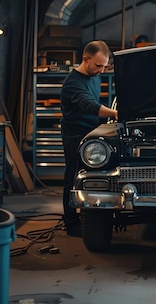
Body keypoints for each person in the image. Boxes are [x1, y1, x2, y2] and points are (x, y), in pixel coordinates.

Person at [60, 40, 117, 237]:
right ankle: (70, 222)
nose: (101, 70)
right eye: (98, 65)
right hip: (75, 133)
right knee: (73, 175)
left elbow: (94, 102)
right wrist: (116, 113)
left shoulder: (94, 76)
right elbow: (88, 105)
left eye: (104, 66)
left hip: (91, 131)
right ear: (86, 59)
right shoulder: (73, 83)